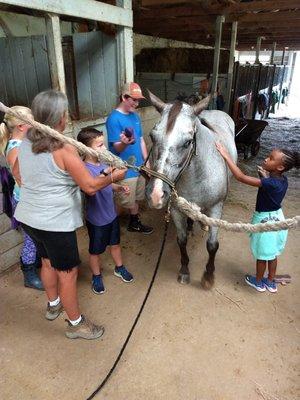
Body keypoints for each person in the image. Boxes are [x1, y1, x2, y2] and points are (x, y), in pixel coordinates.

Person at [13, 90, 126, 339]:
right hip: (54, 224)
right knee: (67, 272)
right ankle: (76, 325)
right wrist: (115, 176)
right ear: (59, 118)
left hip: (29, 217)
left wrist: (42, 188)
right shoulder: (63, 148)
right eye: (64, 112)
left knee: (46, 262)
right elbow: (90, 186)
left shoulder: (27, 141)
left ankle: (53, 305)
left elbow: (18, 173)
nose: (66, 116)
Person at [216, 142, 299, 293]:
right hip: (278, 218)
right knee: (272, 253)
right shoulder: (283, 180)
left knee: (262, 255)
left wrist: (225, 155)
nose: (266, 159)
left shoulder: (269, 183)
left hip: (265, 219)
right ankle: (271, 282)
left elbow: (240, 177)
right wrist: (266, 176)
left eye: (271, 158)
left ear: (280, 167)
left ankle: (259, 282)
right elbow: (271, 186)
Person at [77, 127, 133, 294]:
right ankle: (96, 275)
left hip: (111, 215)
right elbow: (92, 186)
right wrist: (107, 173)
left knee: (115, 244)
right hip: (96, 219)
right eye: (100, 145)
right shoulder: (83, 169)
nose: (105, 149)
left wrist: (118, 188)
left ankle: (119, 267)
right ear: (86, 148)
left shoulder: (103, 163)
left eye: (103, 144)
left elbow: (108, 184)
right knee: (95, 251)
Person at [0, 106, 43, 290]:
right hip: (26, 201)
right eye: (31, 121)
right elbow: (24, 178)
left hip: (30, 198)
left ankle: (37, 262)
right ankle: (29, 273)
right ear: (21, 126)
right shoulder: (16, 149)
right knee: (30, 239)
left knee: (37, 236)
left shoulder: (22, 143)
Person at [106, 82, 153, 234]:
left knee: (136, 198)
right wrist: (125, 144)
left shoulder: (135, 116)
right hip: (124, 168)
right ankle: (108, 225)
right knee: (122, 200)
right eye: (134, 99)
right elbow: (115, 147)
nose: (137, 103)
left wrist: (147, 162)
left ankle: (134, 223)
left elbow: (140, 140)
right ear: (124, 97)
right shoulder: (114, 118)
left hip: (138, 166)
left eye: (138, 100)